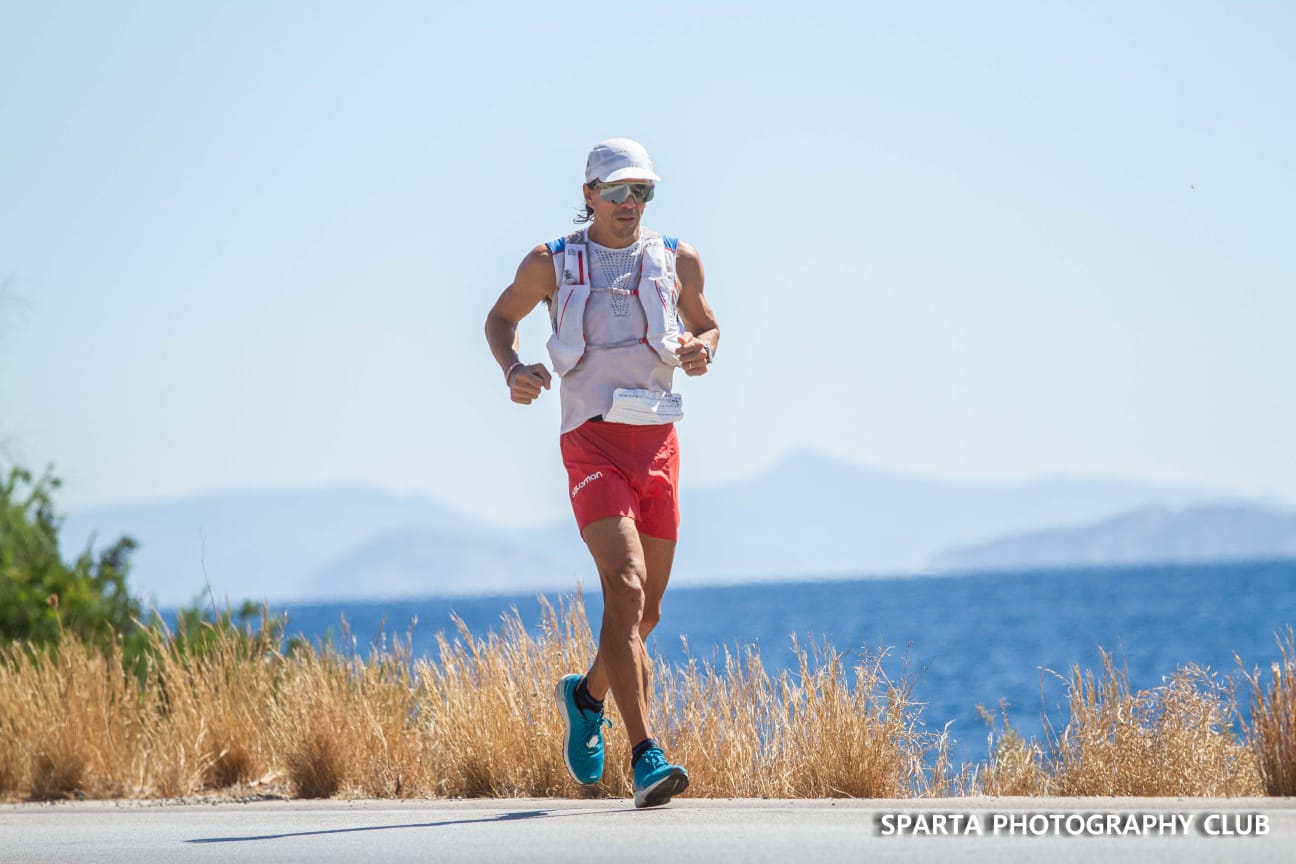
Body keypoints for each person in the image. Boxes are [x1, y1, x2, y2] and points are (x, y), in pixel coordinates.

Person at [484, 138, 720, 808]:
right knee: (627, 587)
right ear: (588, 193)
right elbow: (500, 319)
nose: (628, 204)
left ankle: (586, 698)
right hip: (591, 445)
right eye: (616, 191)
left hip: (659, 444)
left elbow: (709, 326)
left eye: (641, 191)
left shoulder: (677, 259)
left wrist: (702, 350)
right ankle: (648, 756)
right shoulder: (551, 262)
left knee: (645, 614)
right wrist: (515, 370)